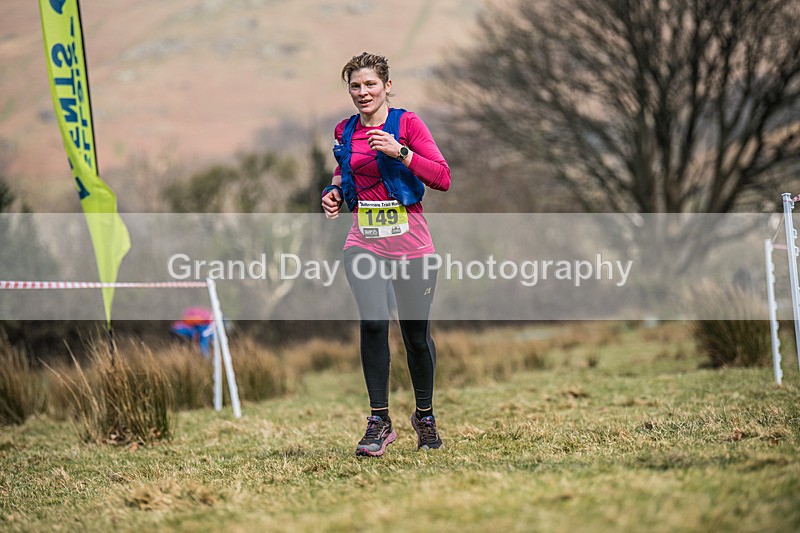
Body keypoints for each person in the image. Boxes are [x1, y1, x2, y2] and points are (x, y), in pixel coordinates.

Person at [322, 52, 451, 457]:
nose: (363, 92)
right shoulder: (345, 130)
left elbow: (443, 177)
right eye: (355, 86)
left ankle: (424, 417)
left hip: (413, 245)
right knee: (374, 324)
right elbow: (343, 172)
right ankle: (379, 421)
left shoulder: (407, 124)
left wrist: (401, 153)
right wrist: (333, 193)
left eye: (370, 85)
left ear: (387, 86)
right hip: (364, 242)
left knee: (416, 337)